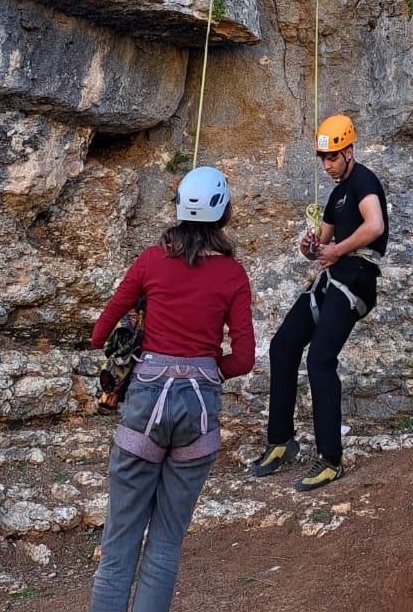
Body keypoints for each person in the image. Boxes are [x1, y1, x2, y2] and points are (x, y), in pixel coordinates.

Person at [89, 166, 255, 612]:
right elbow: (243, 358)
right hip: (198, 412)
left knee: (119, 543)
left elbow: (99, 333)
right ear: (223, 215)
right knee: (164, 546)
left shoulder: (149, 261)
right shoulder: (234, 276)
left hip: (146, 402)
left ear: (179, 209)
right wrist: (206, 367)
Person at [252, 114, 388, 492]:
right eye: (322, 159)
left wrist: (337, 250)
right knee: (283, 346)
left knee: (320, 360)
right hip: (332, 278)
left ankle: (330, 459)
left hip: (356, 279)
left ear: (349, 151)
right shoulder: (336, 193)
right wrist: (310, 248)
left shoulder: (364, 182)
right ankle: (281, 442)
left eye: (332, 158)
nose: (327, 165)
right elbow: (323, 245)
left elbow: (374, 226)